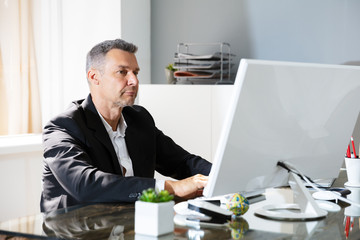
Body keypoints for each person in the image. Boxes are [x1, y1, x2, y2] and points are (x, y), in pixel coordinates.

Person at [40, 39, 212, 212]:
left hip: (130, 228)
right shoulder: (62, 127)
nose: (134, 81)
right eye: (122, 72)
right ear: (94, 77)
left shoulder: (139, 119)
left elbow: (182, 162)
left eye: (135, 73)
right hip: (76, 232)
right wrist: (171, 188)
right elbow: (86, 186)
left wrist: (220, 175)